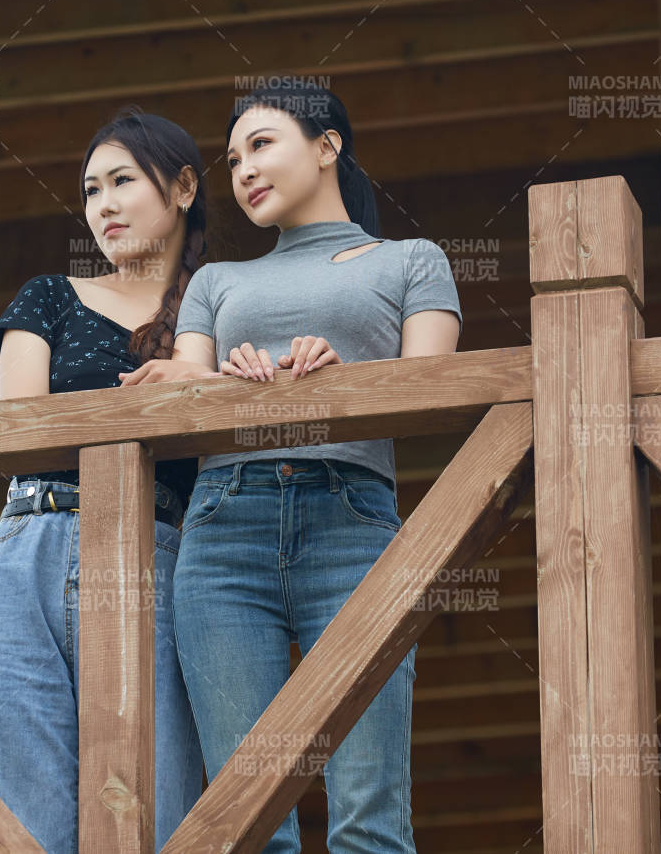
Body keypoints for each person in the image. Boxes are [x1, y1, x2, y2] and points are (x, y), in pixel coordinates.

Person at [160, 83, 462, 851]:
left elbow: (432, 395)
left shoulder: (412, 261)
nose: (244, 169)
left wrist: (347, 379)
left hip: (352, 524)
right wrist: (229, 375)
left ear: (327, 146)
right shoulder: (215, 282)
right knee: (250, 819)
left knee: (370, 809)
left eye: (262, 144)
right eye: (233, 159)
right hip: (223, 528)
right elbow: (180, 392)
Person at [0, 109, 214, 851]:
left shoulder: (218, 311)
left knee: (160, 816)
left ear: (185, 187)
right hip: (25, 550)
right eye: (91, 189)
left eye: (123, 182)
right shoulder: (46, 295)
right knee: (18, 816)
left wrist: (202, 374)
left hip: (159, 557)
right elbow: (20, 430)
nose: (103, 203)